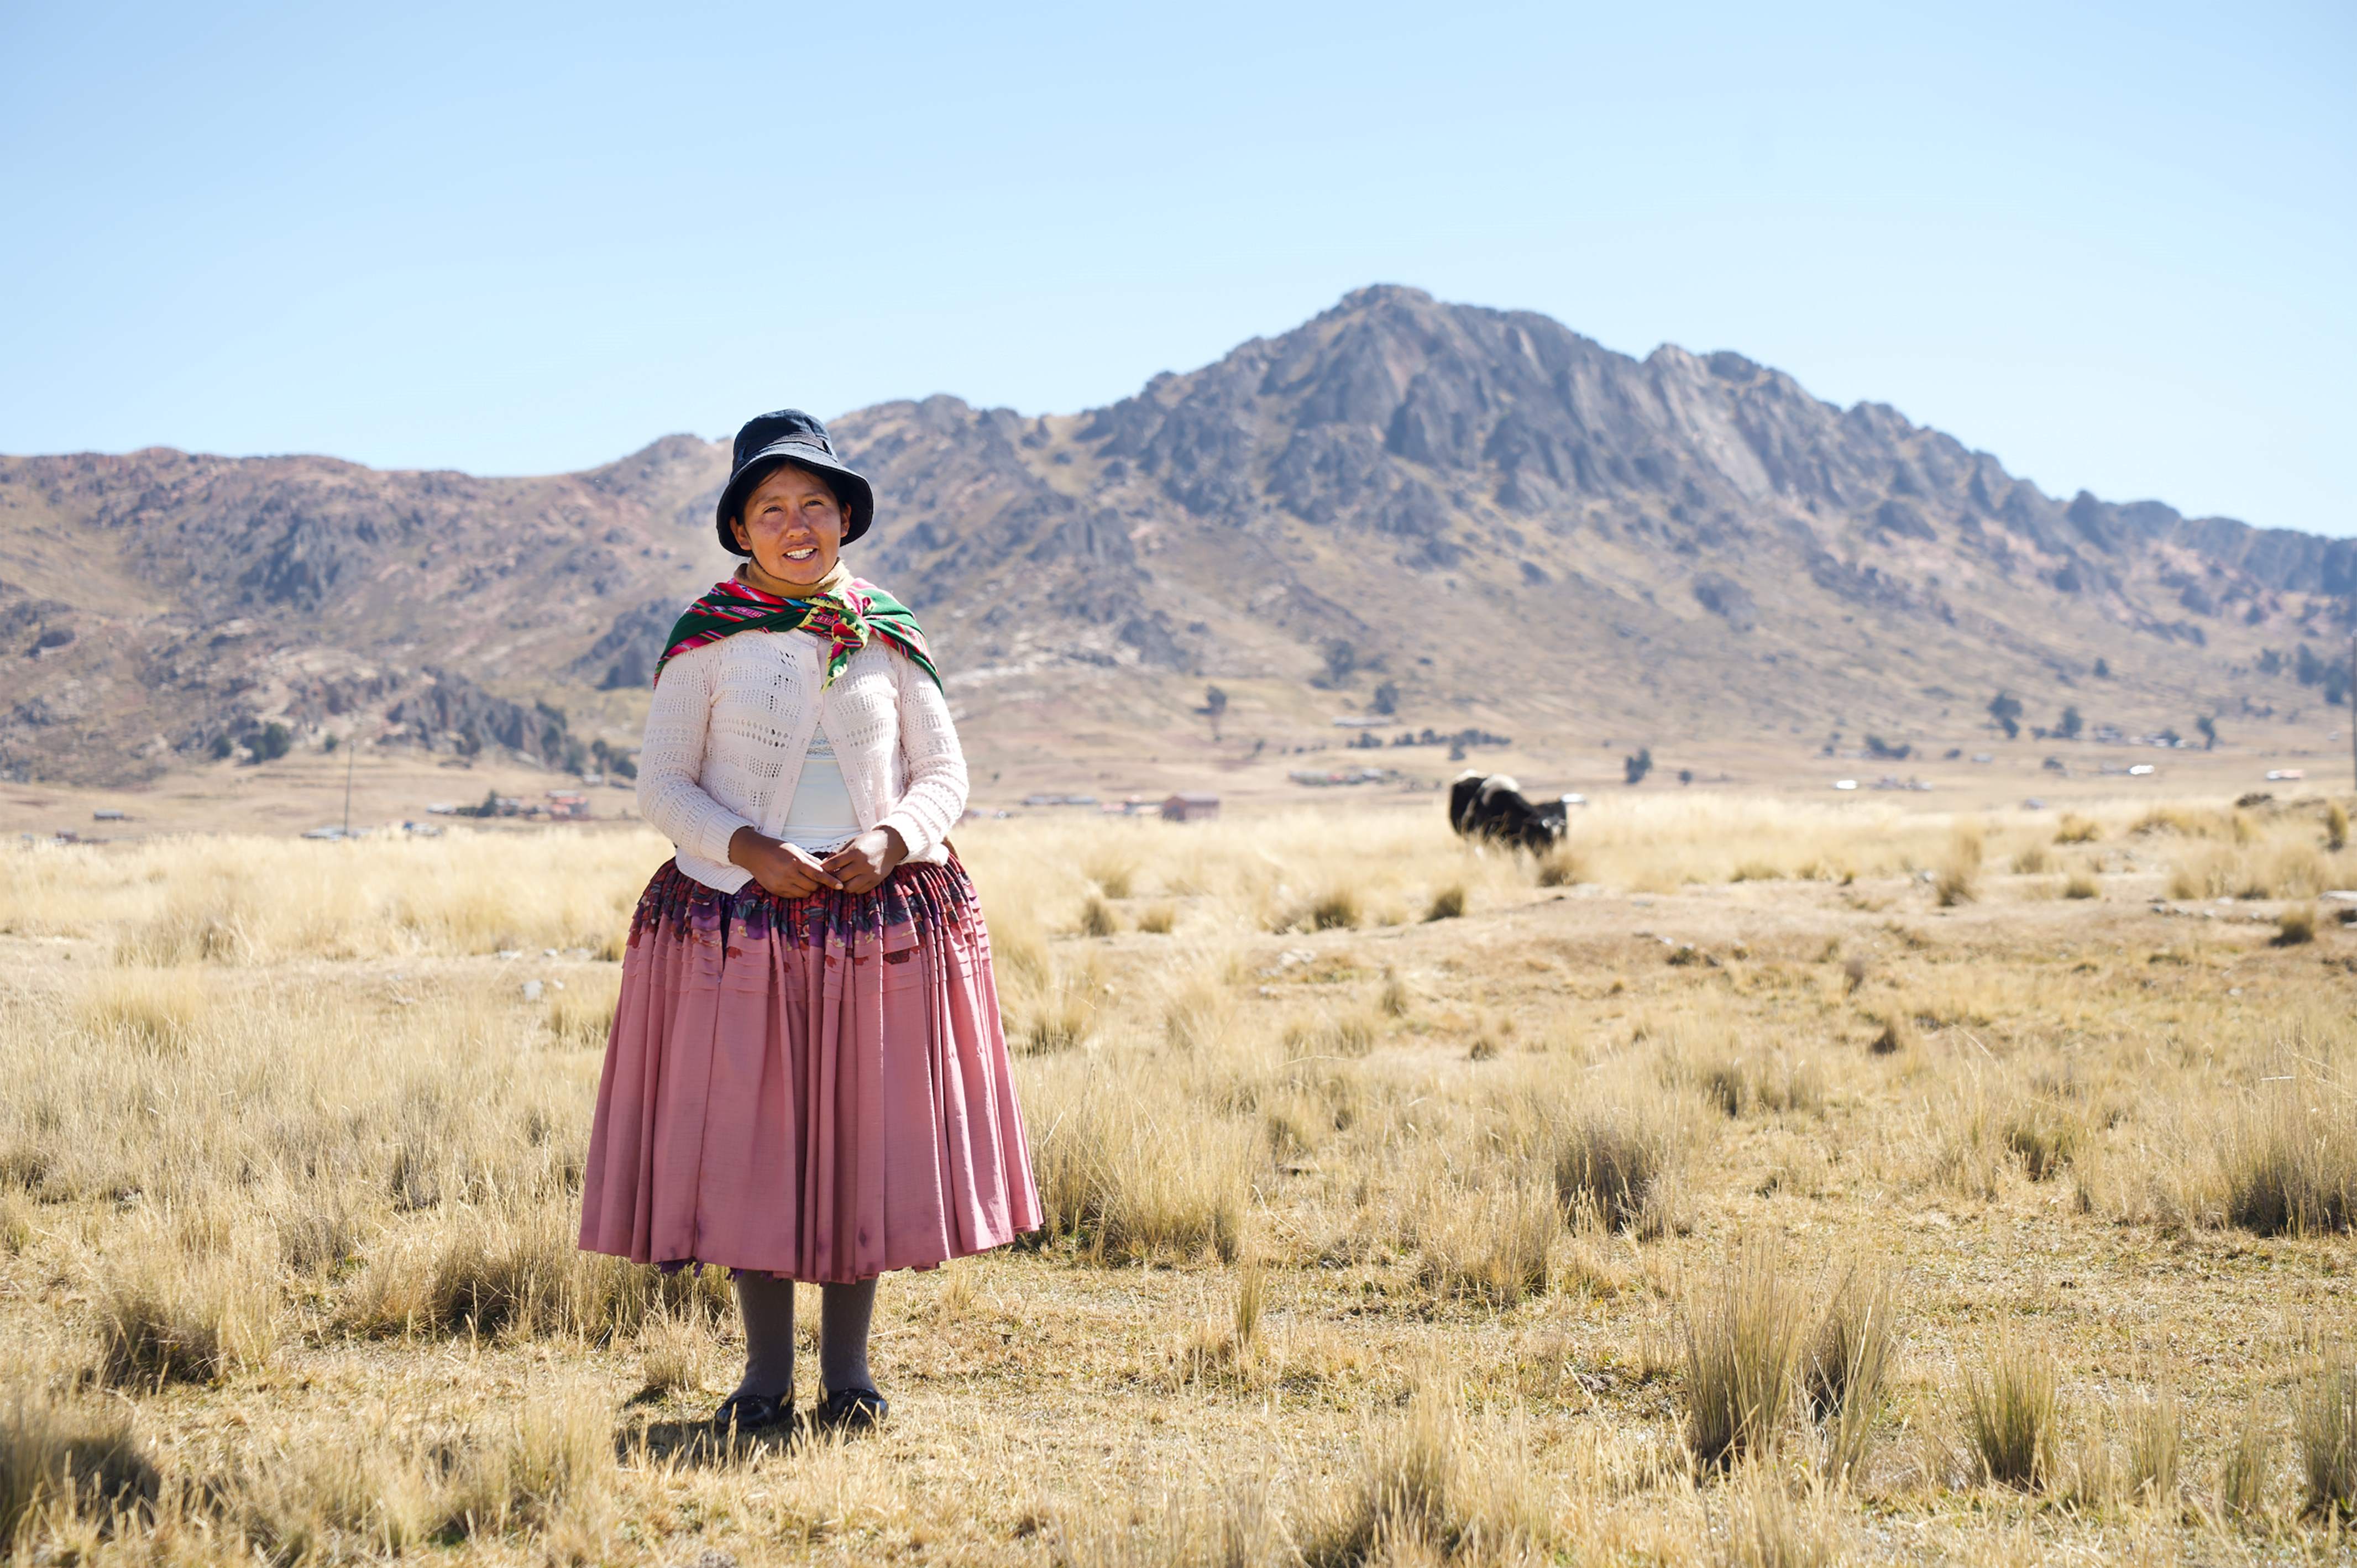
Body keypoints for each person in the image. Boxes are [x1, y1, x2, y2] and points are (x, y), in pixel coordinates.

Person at [577, 408, 1040, 1435]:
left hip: (877, 920)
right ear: (740, 528)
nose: (797, 525)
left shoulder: (888, 633)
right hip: (741, 924)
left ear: (846, 519)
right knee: (758, 1146)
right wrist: (751, 850)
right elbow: (663, 784)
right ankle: (763, 1380)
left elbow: (944, 773)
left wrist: (894, 839)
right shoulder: (707, 640)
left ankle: (851, 1375)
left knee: (858, 1142)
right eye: (773, 507)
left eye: (815, 504)